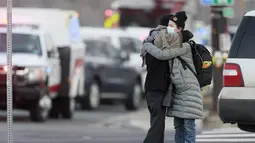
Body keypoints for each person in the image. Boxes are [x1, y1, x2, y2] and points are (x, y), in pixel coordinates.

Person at [142, 11, 203, 143]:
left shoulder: (183, 45)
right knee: (179, 126)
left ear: (179, 29)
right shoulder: (173, 41)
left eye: (171, 26)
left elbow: (163, 54)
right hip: (178, 90)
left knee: (187, 126)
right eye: (168, 25)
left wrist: (147, 45)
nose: (168, 28)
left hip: (187, 89)